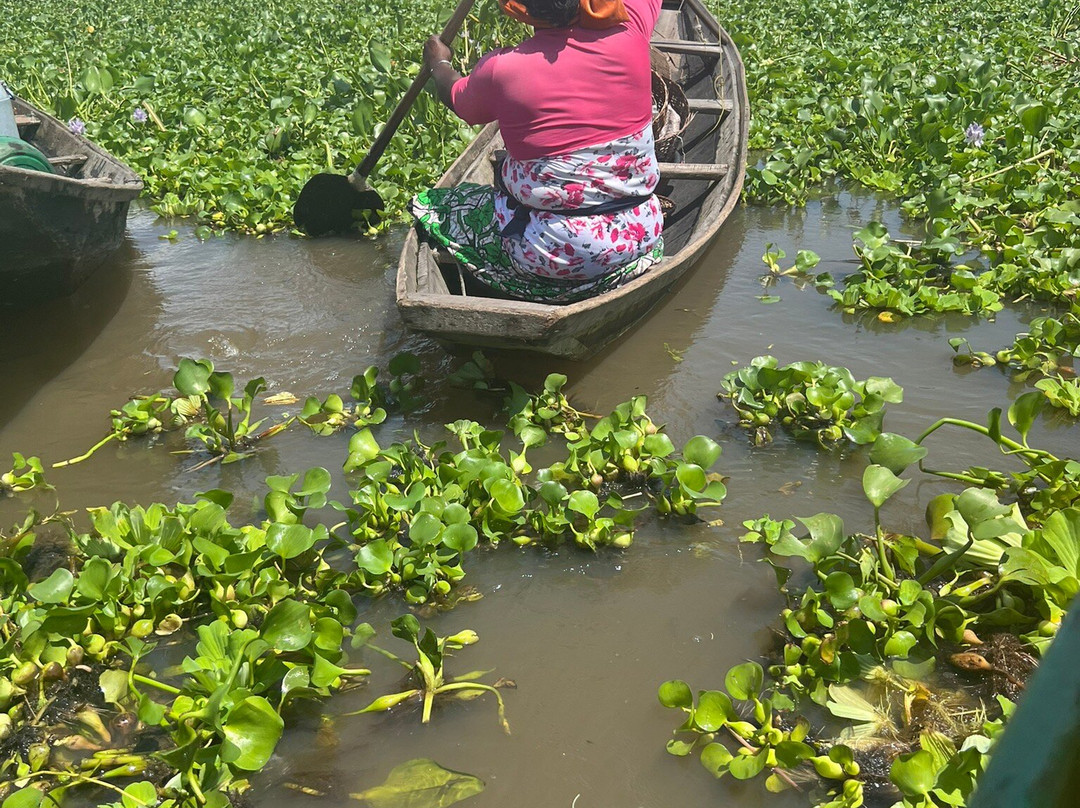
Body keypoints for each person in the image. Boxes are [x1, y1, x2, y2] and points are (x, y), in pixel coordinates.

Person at [411, 0, 664, 304]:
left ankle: (528, 283)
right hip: (638, 236)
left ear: (521, 10)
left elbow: (456, 97)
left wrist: (439, 63)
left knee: (439, 204)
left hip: (549, 255)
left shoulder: (502, 69)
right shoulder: (630, 31)